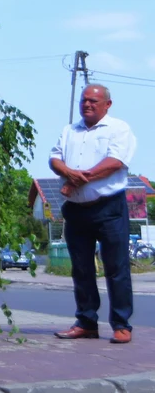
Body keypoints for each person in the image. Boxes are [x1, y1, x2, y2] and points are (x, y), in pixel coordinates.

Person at [49, 84, 137, 344]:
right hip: (76, 210)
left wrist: (76, 180)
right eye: (84, 100)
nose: (87, 105)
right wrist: (67, 173)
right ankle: (86, 321)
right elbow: (54, 159)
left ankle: (121, 324)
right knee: (82, 268)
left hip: (108, 207)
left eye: (93, 101)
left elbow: (115, 162)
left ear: (107, 105)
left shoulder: (118, 129)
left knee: (116, 267)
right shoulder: (70, 130)